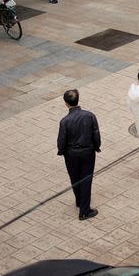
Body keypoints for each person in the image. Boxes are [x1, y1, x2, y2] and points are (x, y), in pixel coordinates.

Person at [57, 89, 101, 220]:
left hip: (71, 155)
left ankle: (79, 201)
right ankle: (84, 210)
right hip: (87, 152)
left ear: (66, 103)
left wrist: (62, 151)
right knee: (86, 179)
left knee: (75, 178)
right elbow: (96, 134)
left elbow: (61, 141)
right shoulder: (89, 116)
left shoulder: (65, 121)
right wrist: (97, 146)